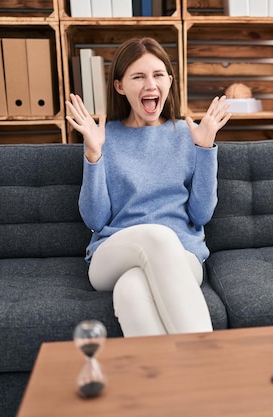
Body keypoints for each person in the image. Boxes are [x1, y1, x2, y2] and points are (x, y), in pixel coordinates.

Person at [65, 37, 231, 337]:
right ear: (120, 86)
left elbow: (201, 215)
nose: (150, 85)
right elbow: (95, 220)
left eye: (157, 75)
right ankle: (208, 362)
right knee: (156, 236)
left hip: (183, 257)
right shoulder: (105, 136)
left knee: (130, 291)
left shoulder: (186, 134)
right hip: (110, 254)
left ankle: (166, 383)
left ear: (169, 80)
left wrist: (205, 149)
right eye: (138, 77)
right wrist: (93, 154)